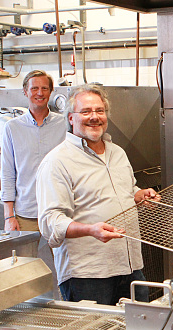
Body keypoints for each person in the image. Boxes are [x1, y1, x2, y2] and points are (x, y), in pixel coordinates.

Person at [36, 84, 159, 306]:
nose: (94, 117)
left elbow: (127, 190)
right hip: (88, 275)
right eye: (86, 112)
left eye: (99, 111)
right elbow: (50, 223)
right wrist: (90, 230)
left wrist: (140, 194)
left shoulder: (117, 152)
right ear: (71, 118)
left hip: (130, 266)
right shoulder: (57, 162)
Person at [0, 70, 66, 231]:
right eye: (34, 88)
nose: (40, 93)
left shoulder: (65, 124)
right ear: (25, 91)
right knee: (25, 257)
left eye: (44, 88)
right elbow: (7, 173)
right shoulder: (12, 127)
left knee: (65, 257)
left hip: (60, 210)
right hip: (26, 213)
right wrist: (9, 216)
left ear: (51, 92)